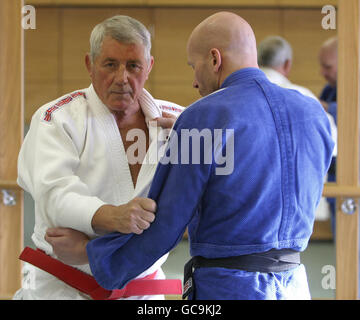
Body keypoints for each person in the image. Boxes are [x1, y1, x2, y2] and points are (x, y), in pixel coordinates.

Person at [46, 12, 334, 300]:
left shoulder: (204, 116)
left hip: (228, 288)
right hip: (294, 284)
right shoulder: (314, 114)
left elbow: (165, 226)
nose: (195, 82)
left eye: (193, 66)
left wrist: (89, 254)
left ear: (214, 59)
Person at [14, 15, 183, 300]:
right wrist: (113, 217)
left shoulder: (179, 122)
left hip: (141, 291)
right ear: (90, 65)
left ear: (149, 66)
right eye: (110, 64)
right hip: (62, 287)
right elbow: (54, 195)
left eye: (133, 66)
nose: (122, 78)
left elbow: (196, 206)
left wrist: (90, 250)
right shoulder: (56, 118)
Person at [258, 35, 337, 222]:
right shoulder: (305, 98)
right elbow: (333, 147)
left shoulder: (228, 96)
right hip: (295, 203)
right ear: (287, 65)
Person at [319, 37, 337, 235]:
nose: (323, 73)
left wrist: (328, 108)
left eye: (328, 66)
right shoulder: (328, 90)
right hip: (334, 173)